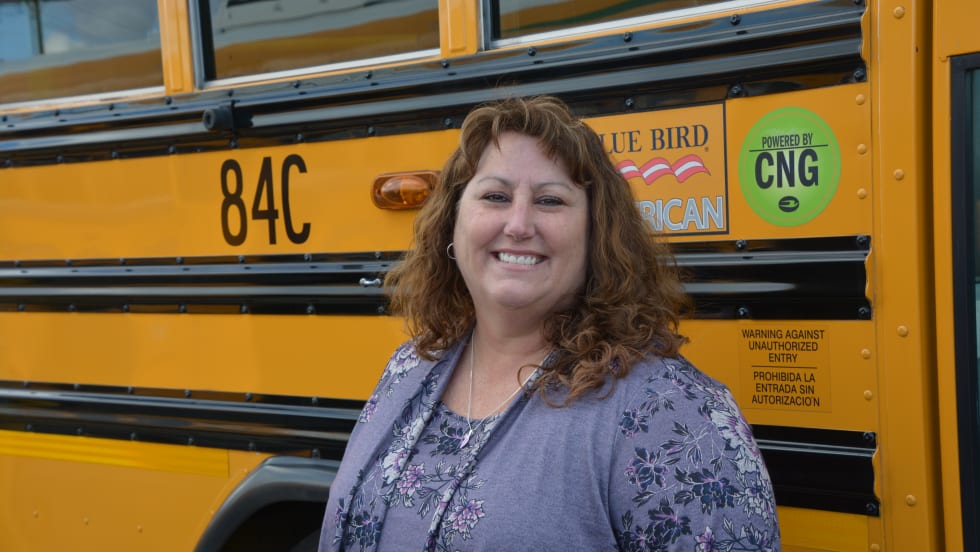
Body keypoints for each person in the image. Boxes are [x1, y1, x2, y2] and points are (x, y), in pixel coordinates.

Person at [318, 96, 780, 551]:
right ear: (452, 226)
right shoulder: (411, 366)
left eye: (550, 200)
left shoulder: (673, 416)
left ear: (597, 235)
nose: (519, 224)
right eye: (495, 196)